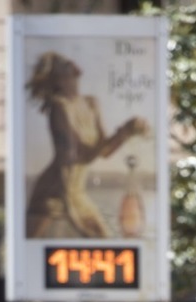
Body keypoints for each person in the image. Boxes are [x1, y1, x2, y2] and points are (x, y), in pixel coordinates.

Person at [25, 52, 150, 239]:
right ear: (57, 79)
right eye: (62, 64)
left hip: (77, 192)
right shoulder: (59, 107)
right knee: (30, 246)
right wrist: (123, 131)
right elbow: (73, 156)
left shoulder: (91, 103)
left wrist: (126, 132)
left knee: (104, 243)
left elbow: (104, 151)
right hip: (55, 190)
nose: (71, 62)